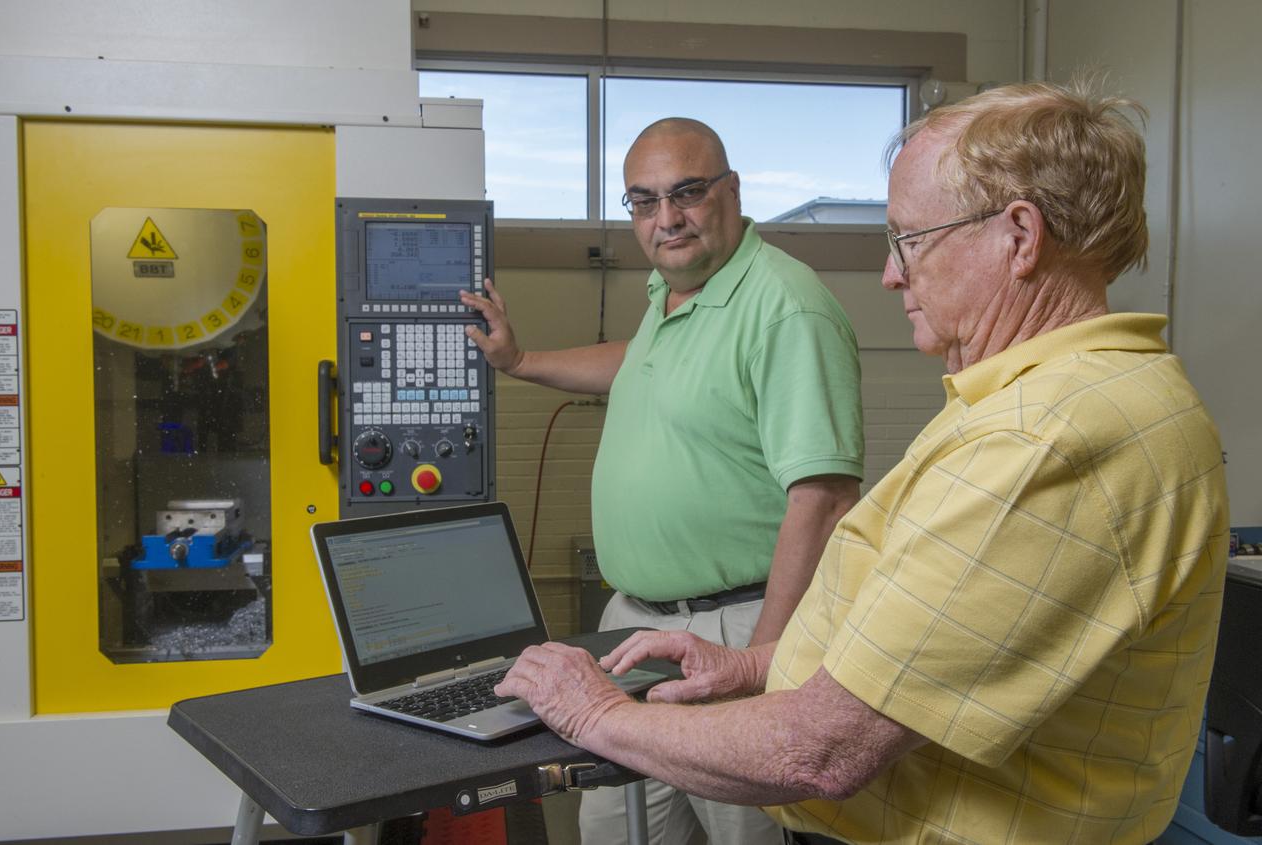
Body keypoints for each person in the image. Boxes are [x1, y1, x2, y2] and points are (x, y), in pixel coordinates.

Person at [494, 81, 1230, 845]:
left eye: (908, 238)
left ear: (1019, 236)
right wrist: (752, 667)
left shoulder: (1048, 442)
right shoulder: (1067, 398)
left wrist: (594, 711)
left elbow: (819, 747)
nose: (889, 273)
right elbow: (932, 645)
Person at [461, 118, 864, 844]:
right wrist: (520, 361)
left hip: (734, 627)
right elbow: (639, 359)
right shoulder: (675, 295)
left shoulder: (784, 308)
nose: (666, 218)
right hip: (637, 629)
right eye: (644, 202)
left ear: (732, 192)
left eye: (687, 193)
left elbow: (827, 499)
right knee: (621, 827)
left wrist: (756, 664)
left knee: (747, 829)